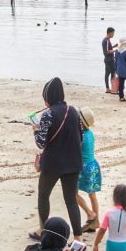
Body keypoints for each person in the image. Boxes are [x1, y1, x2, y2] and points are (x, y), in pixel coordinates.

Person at [32, 77, 85, 241]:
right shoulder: (73, 111)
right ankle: (78, 237)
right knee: (71, 200)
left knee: (43, 195)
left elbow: (41, 143)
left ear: (48, 97)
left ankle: (43, 229)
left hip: (53, 163)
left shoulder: (48, 114)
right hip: (73, 162)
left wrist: (36, 130)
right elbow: (81, 137)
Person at [75, 107, 102, 233]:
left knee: (72, 193)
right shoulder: (90, 133)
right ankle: (95, 222)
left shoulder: (80, 136)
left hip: (84, 167)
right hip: (93, 165)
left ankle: (90, 214)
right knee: (92, 195)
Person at [102, 27, 116, 93]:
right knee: (112, 73)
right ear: (109, 33)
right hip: (109, 59)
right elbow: (107, 51)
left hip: (107, 59)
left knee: (107, 73)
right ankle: (111, 88)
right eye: (113, 33)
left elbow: (107, 48)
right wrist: (116, 50)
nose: (113, 34)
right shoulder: (107, 40)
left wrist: (114, 46)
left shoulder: (106, 40)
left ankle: (109, 88)